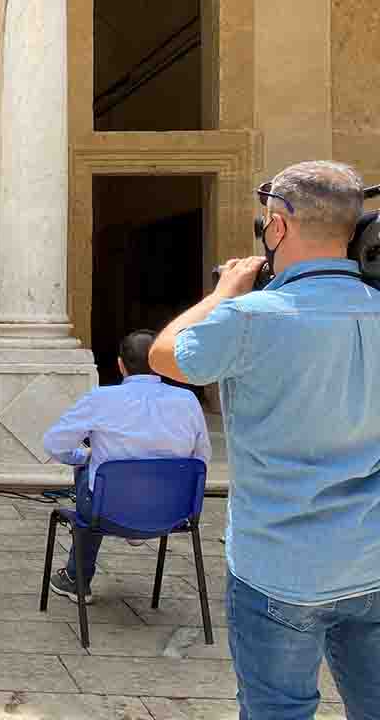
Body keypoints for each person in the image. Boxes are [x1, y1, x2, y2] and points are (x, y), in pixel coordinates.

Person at [149, 161, 380, 719]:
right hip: (372, 559)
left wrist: (226, 290)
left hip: (279, 564)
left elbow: (164, 352)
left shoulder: (250, 317)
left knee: (277, 710)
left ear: (276, 226)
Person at [42, 330, 210, 604]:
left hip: (108, 511)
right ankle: (139, 519)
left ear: (120, 364)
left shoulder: (101, 399)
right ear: (162, 363)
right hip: (173, 512)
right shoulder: (188, 401)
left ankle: (77, 579)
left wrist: (84, 457)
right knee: (113, 474)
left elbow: (53, 443)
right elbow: (201, 458)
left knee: (90, 472)